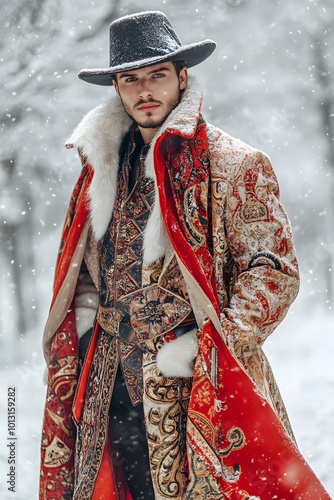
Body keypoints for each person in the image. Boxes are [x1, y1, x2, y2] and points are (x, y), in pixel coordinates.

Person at [39, 10, 330, 500]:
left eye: (157, 74)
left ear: (182, 75)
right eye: (130, 79)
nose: (144, 89)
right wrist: (88, 330)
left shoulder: (235, 163)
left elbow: (273, 270)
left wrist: (209, 348)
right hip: (109, 380)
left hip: (198, 382)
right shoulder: (99, 172)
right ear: (116, 86)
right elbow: (85, 269)